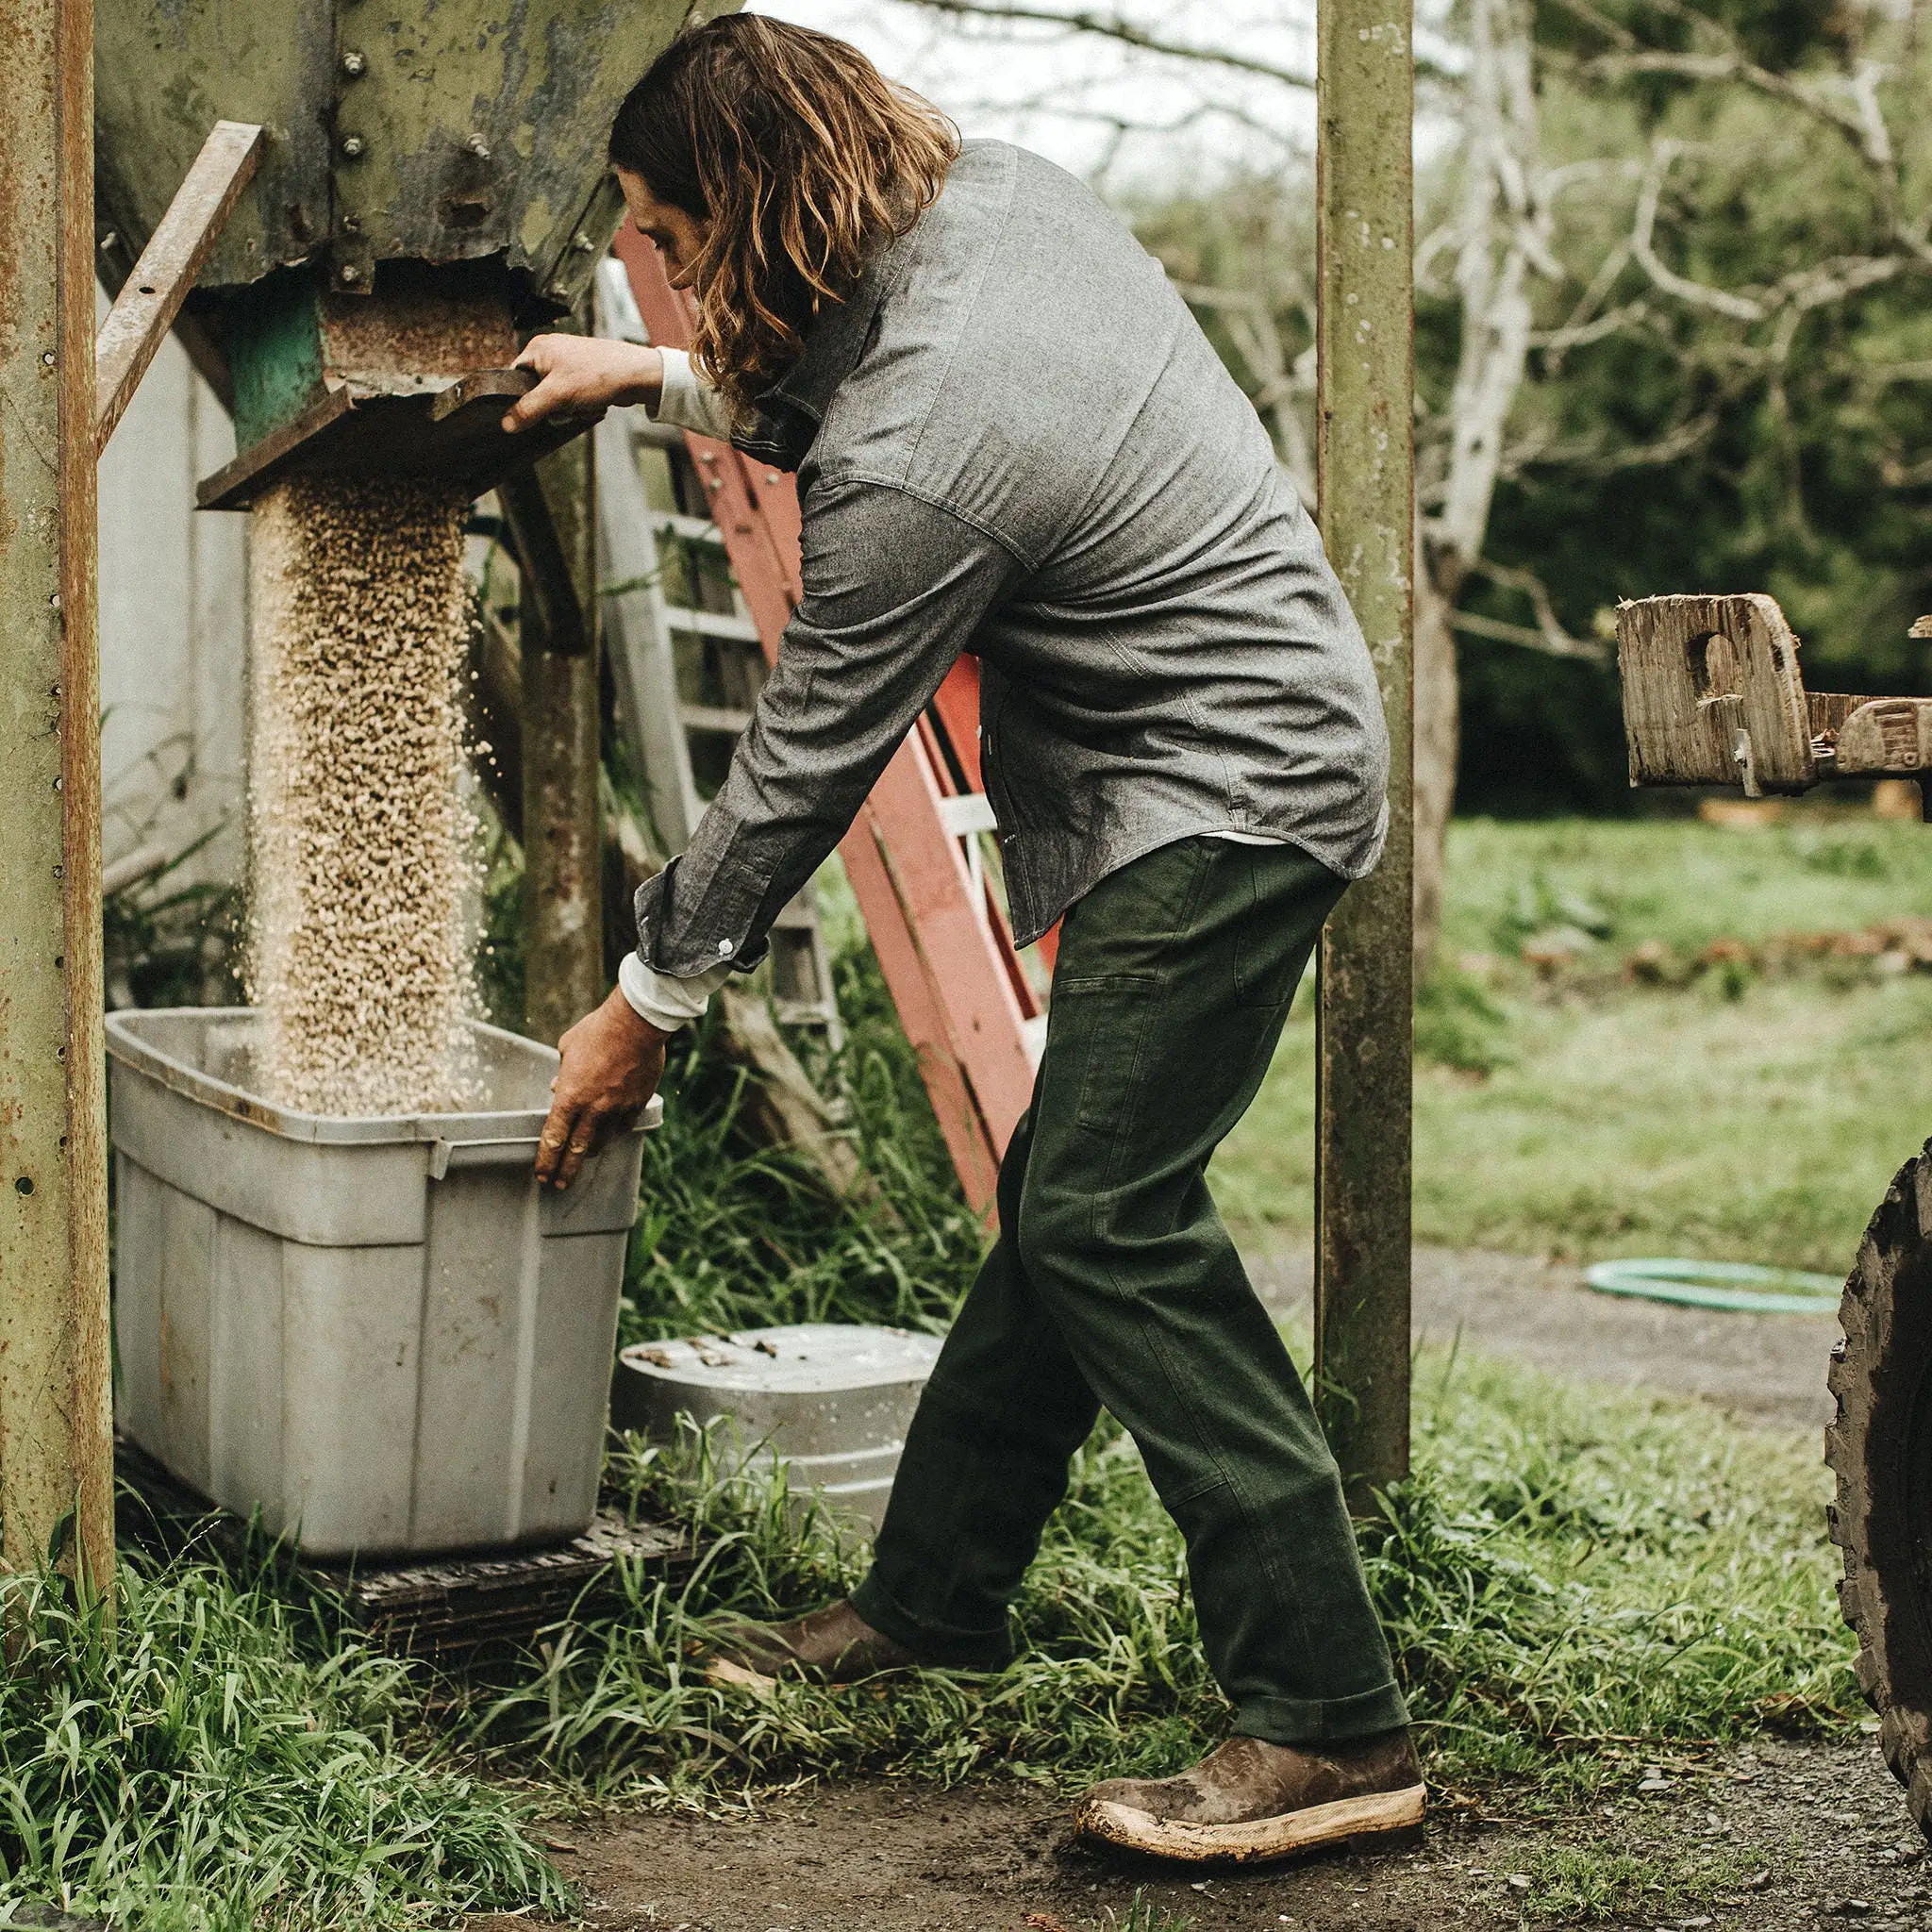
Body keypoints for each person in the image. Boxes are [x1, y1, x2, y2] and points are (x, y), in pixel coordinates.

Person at [508, 12, 1424, 1863]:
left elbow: (798, 770)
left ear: (752, 211)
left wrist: (644, 998)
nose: (657, 270)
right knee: (1068, 1197)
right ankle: (933, 1598)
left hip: (1224, 791)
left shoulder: (926, 445)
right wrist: (647, 379)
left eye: (665, 239)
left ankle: (1328, 1717)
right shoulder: (998, 203)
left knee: (1102, 1211)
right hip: (1228, 749)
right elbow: (859, 385)